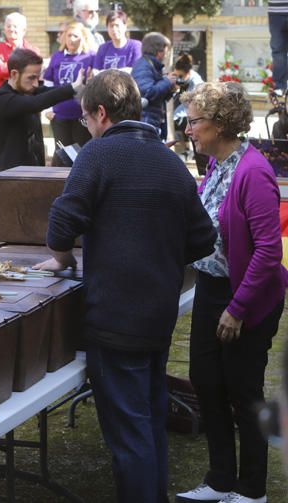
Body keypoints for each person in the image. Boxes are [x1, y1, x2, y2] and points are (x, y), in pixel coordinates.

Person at [33, 70, 216, 503]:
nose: (86, 127)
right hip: (158, 312)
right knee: (149, 418)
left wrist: (59, 259)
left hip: (115, 315)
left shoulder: (97, 155)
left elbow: (62, 224)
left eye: (84, 119)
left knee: (130, 430)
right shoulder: (171, 161)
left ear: (100, 112)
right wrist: (160, 255)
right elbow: (203, 237)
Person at [175, 82, 288, 503]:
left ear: (220, 125)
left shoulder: (253, 171)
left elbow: (268, 250)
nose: (189, 129)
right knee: (207, 383)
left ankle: (252, 489)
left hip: (247, 297)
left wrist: (237, 309)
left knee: (243, 391)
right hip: (211, 288)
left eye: (195, 121)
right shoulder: (217, 164)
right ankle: (221, 479)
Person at [0, 48, 84, 171]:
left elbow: (50, 91)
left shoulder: (27, 90)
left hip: (32, 171)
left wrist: (79, 88)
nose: (35, 84)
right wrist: (73, 87)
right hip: (9, 174)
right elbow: (36, 103)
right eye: (31, 78)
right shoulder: (2, 99)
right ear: (14, 74)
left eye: (38, 78)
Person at [43, 21, 94, 148]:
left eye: (75, 36)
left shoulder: (90, 56)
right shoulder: (57, 56)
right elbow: (48, 82)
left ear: (83, 37)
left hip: (81, 115)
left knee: (81, 153)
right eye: (69, 35)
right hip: (59, 114)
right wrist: (48, 109)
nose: (71, 39)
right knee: (62, 154)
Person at [132, 32, 178, 138]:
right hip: (146, 124)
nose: (167, 54)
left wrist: (171, 89)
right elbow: (147, 93)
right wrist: (166, 81)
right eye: (166, 50)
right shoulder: (143, 66)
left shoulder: (150, 65)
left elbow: (158, 97)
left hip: (152, 122)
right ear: (159, 51)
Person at [0, 13, 40, 95]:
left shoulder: (33, 51)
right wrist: (23, 67)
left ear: (23, 30)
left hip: (25, 98)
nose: (11, 29)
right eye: (8, 26)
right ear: (4, 29)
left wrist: (5, 66)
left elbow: (33, 74)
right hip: (2, 98)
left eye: (15, 26)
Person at [269, 0, 288, 94]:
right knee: (278, 50)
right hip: (275, 12)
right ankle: (280, 86)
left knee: (278, 51)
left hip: (275, 12)